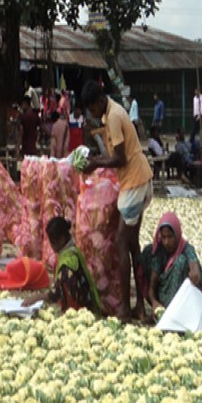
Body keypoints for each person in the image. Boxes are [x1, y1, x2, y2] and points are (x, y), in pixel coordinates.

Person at [80, 80, 153, 322]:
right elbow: (114, 152)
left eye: (91, 109)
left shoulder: (112, 116)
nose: (92, 115)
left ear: (99, 102)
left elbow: (120, 158)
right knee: (132, 246)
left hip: (134, 181)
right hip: (140, 178)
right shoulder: (111, 113)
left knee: (122, 243)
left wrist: (96, 164)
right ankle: (140, 305)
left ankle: (124, 306)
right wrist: (99, 157)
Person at [23, 217, 102, 315]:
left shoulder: (67, 264)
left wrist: (37, 297)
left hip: (80, 311)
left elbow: (57, 294)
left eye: (52, 242)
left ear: (61, 240)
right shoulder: (74, 251)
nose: (51, 247)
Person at [140, 212, 202, 311]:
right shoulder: (159, 251)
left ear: (177, 234)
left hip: (181, 300)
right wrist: (154, 302)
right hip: (162, 296)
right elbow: (152, 286)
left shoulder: (186, 248)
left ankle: (177, 310)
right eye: (164, 237)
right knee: (148, 250)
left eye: (170, 237)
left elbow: (193, 261)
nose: (167, 242)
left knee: (181, 261)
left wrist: (195, 271)